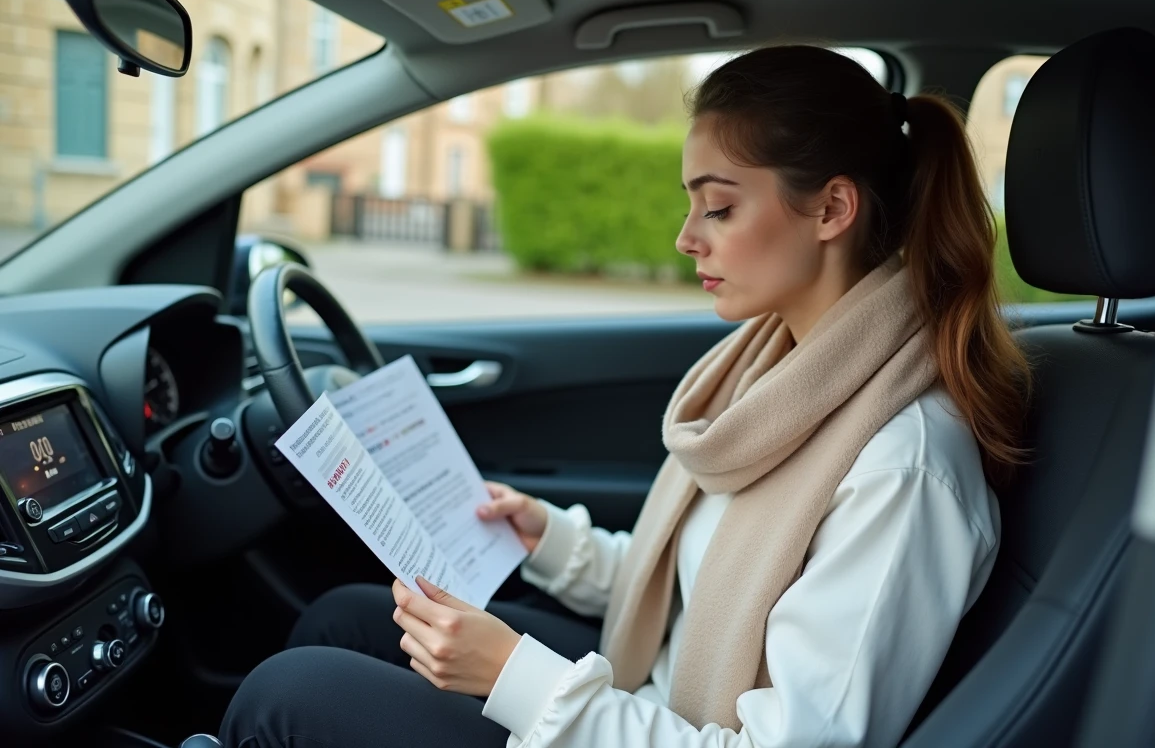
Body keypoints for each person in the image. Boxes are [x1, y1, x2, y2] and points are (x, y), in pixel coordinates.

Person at [218, 45, 1030, 748]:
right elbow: (702, 591)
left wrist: (512, 675)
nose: (686, 237)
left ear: (832, 208)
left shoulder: (903, 464)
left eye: (718, 206)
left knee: (284, 698)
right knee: (345, 618)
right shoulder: (781, 375)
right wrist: (552, 541)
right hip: (652, 709)